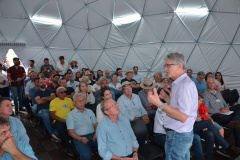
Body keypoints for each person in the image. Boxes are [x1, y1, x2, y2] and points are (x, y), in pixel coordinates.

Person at [148, 52, 198, 160]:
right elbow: (180, 107)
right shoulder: (178, 83)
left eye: (168, 65)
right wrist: (167, 99)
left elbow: (182, 116)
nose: (165, 69)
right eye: (165, 66)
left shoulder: (185, 85)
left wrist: (158, 103)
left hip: (178, 135)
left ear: (179, 66)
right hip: (177, 134)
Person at [203, 77, 240, 146]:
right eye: (209, 83)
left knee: (238, 106)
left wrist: (227, 108)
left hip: (225, 112)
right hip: (215, 114)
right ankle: (235, 120)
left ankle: (235, 119)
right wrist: (219, 111)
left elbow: (225, 103)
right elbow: (206, 109)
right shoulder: (205, 95)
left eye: (213, 82)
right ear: (207, 84)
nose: (211, 84)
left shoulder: (218, 93)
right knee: (236, 118)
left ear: (215, 84)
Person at [66, 93, 98, 160]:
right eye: (79, 101)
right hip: (80, 138)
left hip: (93, 136)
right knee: (86, 155)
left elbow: (95, 124)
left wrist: (96, 134)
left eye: (83, 100)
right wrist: (80, 138)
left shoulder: (90, 111)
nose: (81, 103)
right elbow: (71, 131)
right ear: (74, 103)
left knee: (107, 146)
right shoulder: (70, 115)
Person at [49, 87, 75, 156]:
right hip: (58, 121)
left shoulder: (69, 100)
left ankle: (74, 143)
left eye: (65, 92)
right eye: (61, 92)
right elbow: (52, 116)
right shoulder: (53, 102)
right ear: (57, 93)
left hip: (69, 120)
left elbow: (73, 111)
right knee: (61, 129)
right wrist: (63, 120)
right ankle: (70, 148)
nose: (64, 93)